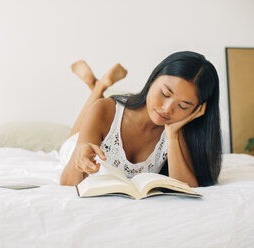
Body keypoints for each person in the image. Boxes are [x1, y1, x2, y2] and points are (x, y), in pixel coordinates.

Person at [59, 51, 222, 187]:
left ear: (198, 110)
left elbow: (185, 188)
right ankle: (99, 87)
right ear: (153, 79)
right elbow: (67, 185)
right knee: (76, 134)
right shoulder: (104, 109)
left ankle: (97, 85)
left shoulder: (179, 132)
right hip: (80, 140)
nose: (167, 108)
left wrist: (172, 134)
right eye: (165, 93)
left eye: (184, 105)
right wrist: (80, 153)